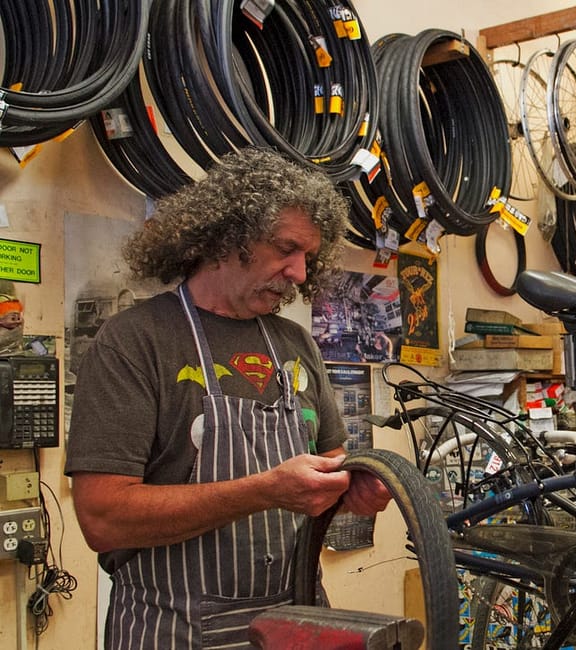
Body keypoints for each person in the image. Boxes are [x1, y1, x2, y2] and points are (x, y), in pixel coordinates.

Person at [64, 148, 392, 649]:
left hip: (294, 624)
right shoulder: (136, 340)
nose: (301, 274)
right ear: (226, 237)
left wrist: (353, 493)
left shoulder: (294, 343)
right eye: (286, 249)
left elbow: (328, 469)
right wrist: (262, 490)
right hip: (172, 629)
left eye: (308, 256)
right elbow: (103, 518)